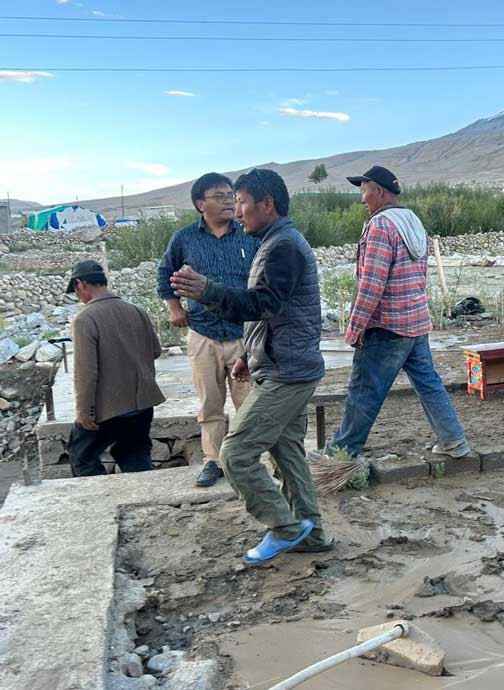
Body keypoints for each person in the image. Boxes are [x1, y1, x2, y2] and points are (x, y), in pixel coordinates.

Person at [170, 168, 334, 565]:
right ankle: (311, 533)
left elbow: (262, 303)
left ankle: (285, 529)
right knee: (287, 453)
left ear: (267, 204)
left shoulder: (283, 247)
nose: (236, 211)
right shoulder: (272, 242)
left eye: (241, 202)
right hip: (282, 365)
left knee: (236, 454)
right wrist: (249, 353)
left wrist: (207, 292)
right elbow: (271, 310)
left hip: (287, 373)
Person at [318, 165, 476, 461]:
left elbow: (372, 283)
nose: (362, 199)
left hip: (387, 326)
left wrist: (355, 328)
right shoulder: (411, 221)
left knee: (364, 391)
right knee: (428, 383)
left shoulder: (381, 226)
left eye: (364, 191)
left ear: (378, 191)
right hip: (416, 322)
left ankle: (341, 455)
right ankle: (454, 442)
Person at [157, 172, 259, 488]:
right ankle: (213, 461)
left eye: (231, 195)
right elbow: (164, 275)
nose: (230, 201)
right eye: (220, 195)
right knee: (210, 404)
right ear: (200, 203)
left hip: (244, 335)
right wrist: (174, 308)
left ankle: (248, 460)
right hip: (202, 333)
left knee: (249, 402)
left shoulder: (249, 235)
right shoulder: (184, 238)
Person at [66, 260, 166, 476]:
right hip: (142, 404)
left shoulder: (85, 319)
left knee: (81, 456)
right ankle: (144, 502)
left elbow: (86, 372)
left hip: (109, 407)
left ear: (81, 284)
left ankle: (101, 502)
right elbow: (155, 351)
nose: (78, 296)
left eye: (76, 290)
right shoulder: (137, 311)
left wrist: (84, 412)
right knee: (135, 456)